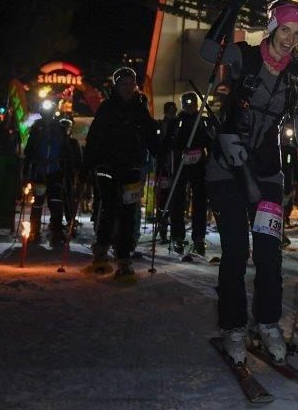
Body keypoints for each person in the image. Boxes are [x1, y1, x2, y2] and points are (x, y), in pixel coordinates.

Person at [203, 0, 298, 365]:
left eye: (297, 32)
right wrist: (230, 8)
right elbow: (208, 51)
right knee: (237, 251)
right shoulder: (241, 56)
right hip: (228, 166)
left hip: (268, 171)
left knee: (270, 253)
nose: (289, 38)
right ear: (272, 27)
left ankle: (268, 322)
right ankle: (233, 326)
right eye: (284, 29)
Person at [81, 67, 159, 277]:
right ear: (116, 85)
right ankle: (102, 250)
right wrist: (87, 164)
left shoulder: (139, 109)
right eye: (124, 84)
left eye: (131, 84)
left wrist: (160, 149)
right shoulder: (107, 108)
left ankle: (124, 257)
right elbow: (94, 138)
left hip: (132, 166)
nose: (128, 88)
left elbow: (151, 135)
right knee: (108, 207)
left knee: (128, 211)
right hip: (107, 166)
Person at [23, 101, 72, 245]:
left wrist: (68, 170)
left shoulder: (61, 129)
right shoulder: (37, 128)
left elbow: (66, 151)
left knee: (56, 203)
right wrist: (27, 170)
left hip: (56, 171)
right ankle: (34, 232)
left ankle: (56, 232)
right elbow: (29, 150)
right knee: (38, 203)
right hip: (40, 171)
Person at [169, 92, 211, 256]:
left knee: (200, 200)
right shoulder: (177, 121)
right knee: (178, 201)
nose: (189, 106)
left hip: (198, 166)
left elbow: (209, 140)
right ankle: (177, 236)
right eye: (186, 103)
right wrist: (178, 148)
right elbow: (170, 141)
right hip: (181, 165)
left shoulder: (202, 121)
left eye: (192, 103)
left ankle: (198, 237)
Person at [154, 101, 178, 244]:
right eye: (169, 110)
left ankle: (174, 230)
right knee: (163, 199)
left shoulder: (178, 124)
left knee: (175, 200)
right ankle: (162, 228)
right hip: (164, 167)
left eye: (173, 110)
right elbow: (158, 143)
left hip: (176, 165)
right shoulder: (160, 125)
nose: (171, 113)